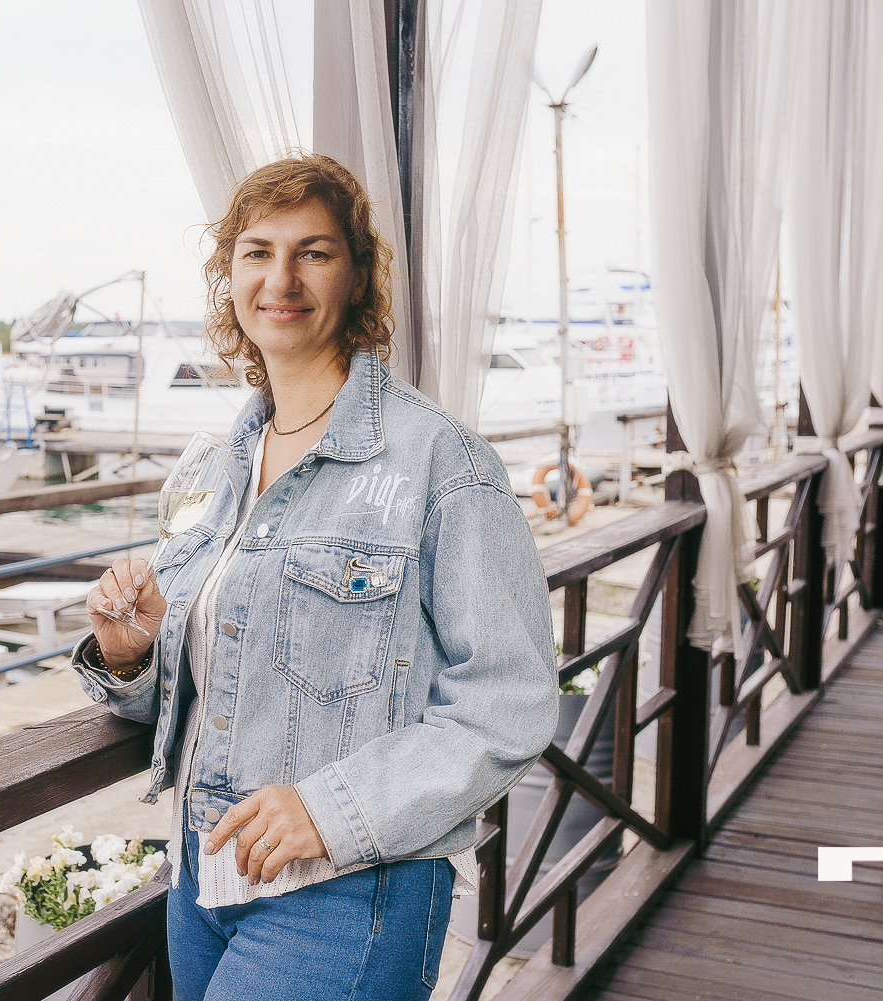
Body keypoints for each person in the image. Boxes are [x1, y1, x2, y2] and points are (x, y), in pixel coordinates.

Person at [72, 154, 558, 1001]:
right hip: (204, 876)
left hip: (346, 889)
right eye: (257, 252)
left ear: (357, 274)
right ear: (229, 276)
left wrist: (330, 809)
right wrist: (132, 654)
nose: (281, 279)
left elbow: (509, 701)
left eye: (314, 252)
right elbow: (213, 693)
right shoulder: (218, 462)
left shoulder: (441, 462)